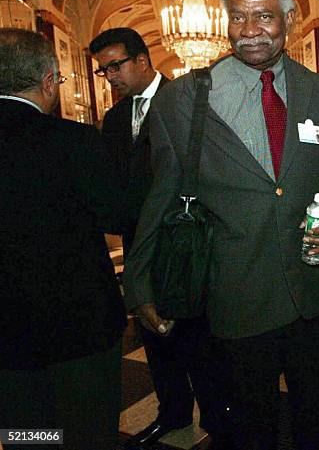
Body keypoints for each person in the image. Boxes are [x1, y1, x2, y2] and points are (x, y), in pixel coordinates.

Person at [122, 0, 319, 450]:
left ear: (289, 17)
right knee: (249, 428)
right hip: (235, 296)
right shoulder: (184, 100)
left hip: (309, 293)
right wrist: (139, 284)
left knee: (315, 420)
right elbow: (158, 198)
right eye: (239, 18)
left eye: (264, 16)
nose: (250, 32)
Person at [0, 28, 126, 450]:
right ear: (50, 80)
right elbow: (115, 213)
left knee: (25, 435)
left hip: (8, 337)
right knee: (88, 434)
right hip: (80, 327)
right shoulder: (74, 141)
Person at [89, 28, 213, 449]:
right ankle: (173, 412)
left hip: (182, 239)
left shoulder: (185, 100)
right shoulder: (115, 117)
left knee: (197, 336)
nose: (110, 77)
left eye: (115, 65)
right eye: (103, 70)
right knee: (153, 333)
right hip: (138, 241)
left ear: (142, 59)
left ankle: (218, 419)